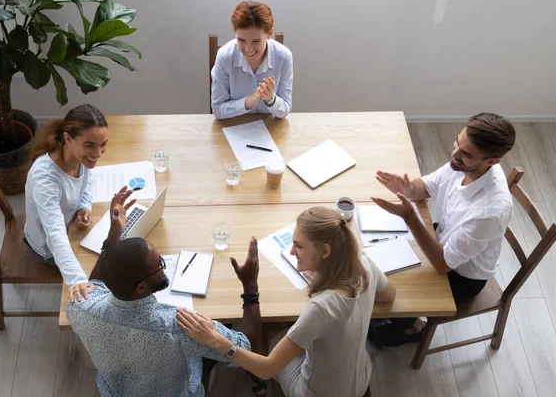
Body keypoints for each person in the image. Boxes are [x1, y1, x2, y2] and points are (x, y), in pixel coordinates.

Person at [178, 207, 397, 397]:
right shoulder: (365, 265)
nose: (292, 251)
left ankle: (261, 388)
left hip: (317, 392)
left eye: (299, 246)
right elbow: (389, 295)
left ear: (325, 251)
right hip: (359, 378)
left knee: (273, 331)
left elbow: (267, 368)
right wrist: (326, 277)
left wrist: (215, 340)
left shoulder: (321, 308)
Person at [67, 187, 259, 397]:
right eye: (160, 264)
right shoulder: (183, 327)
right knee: (224, 327)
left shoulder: (79, 307)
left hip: (117, 389)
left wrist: (114, 236)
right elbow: (246, 347)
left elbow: (95, 282)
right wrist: (250, 287)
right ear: (141, 287)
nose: (163, 264)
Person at [370, 112, 516, 344]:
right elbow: (426, 188)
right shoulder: (462, 164)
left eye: (466, 154)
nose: (455, 154)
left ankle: (415, 326)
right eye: (457, 143)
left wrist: (409, 216)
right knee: (375, 254)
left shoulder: (491, 211)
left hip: (462, 275)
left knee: (390, 283)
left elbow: (443, 264)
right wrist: (407, 189)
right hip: (443, 237)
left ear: (492, 161)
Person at [25, 104, 108, 303]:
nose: (98, 153)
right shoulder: (45, 177)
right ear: (68, 138)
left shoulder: (78, 157)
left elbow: (86, 182)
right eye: (90, 145)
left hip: (69, 226)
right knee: (109, 263)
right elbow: (54, 234)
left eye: (103, 144)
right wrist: (77, 280)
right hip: (47, 247)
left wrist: (84, 206)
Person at [211, 1, 293, 119]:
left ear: (269, 33)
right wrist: (249, 101)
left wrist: (271, 99)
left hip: (270, 128)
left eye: (256, 41)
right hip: (233, 126)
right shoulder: (225, 56)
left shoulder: (284, 57)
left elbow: (285, 109)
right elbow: (218, 109)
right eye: (241, 40)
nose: (249, 50)